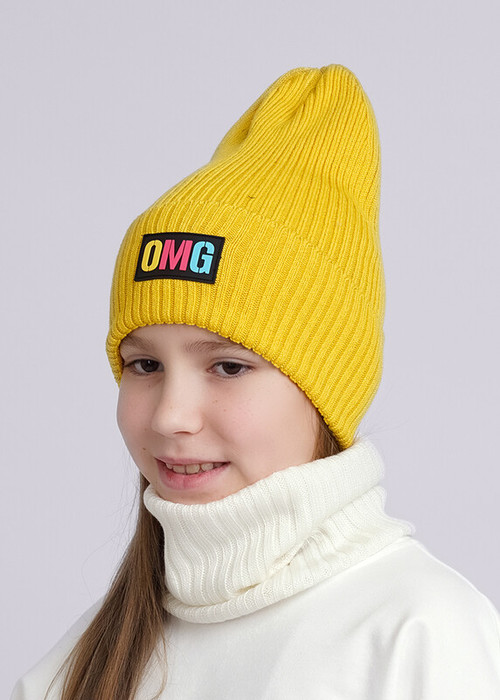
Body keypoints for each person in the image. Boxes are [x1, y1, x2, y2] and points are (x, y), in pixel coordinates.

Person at [11, 64, 500, 699]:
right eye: (145, 365)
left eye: (229, 366)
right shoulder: (88, 660)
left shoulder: (421, 636)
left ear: (325, 389)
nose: (170, 416)